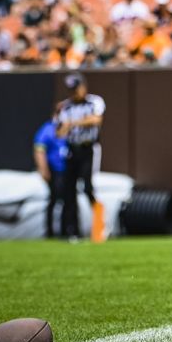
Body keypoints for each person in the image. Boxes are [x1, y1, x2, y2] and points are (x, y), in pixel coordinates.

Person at [54, 73, 105, 239]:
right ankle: (72, 231)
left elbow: (96, 120)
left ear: (83, 87)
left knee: (88, 187)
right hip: (71, 150)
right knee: (69, 191)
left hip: (88, 148)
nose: (74, 93)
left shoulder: (94, 101)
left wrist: (73, 123)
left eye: (76, 89)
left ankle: (100, 226)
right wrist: (62, 123)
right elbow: (59, 133)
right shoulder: (65, 107)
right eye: (71, 90)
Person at [33, 118, 69, 238]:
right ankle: (50, 232)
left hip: (68, 171)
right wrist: (43, 169)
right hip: (55, 171)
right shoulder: (48, 129)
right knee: (54, 200)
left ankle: (67, 231)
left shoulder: (71, 126)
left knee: (68, 201)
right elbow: (39, 148)